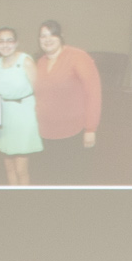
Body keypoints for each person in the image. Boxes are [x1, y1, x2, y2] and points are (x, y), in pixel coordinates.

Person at [33, 19, 102, 184]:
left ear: (61, 36)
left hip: (73, 134)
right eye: (43, 36)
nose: (47, 39)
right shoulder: (40, 62)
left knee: (73, 180)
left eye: (52, 34)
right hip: (46, 135)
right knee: (52, 180)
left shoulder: (77, 56)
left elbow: (93, 93)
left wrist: (90, 128)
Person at [0, 26, 43, 184]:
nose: (5, 45)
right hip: (5, 117)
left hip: (24, 116)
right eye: (1, 41)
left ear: (16, 42)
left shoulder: (25, 61)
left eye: (9, 40)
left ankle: (24, 202)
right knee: (9, 168)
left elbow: (39, 91)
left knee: (21, 169)